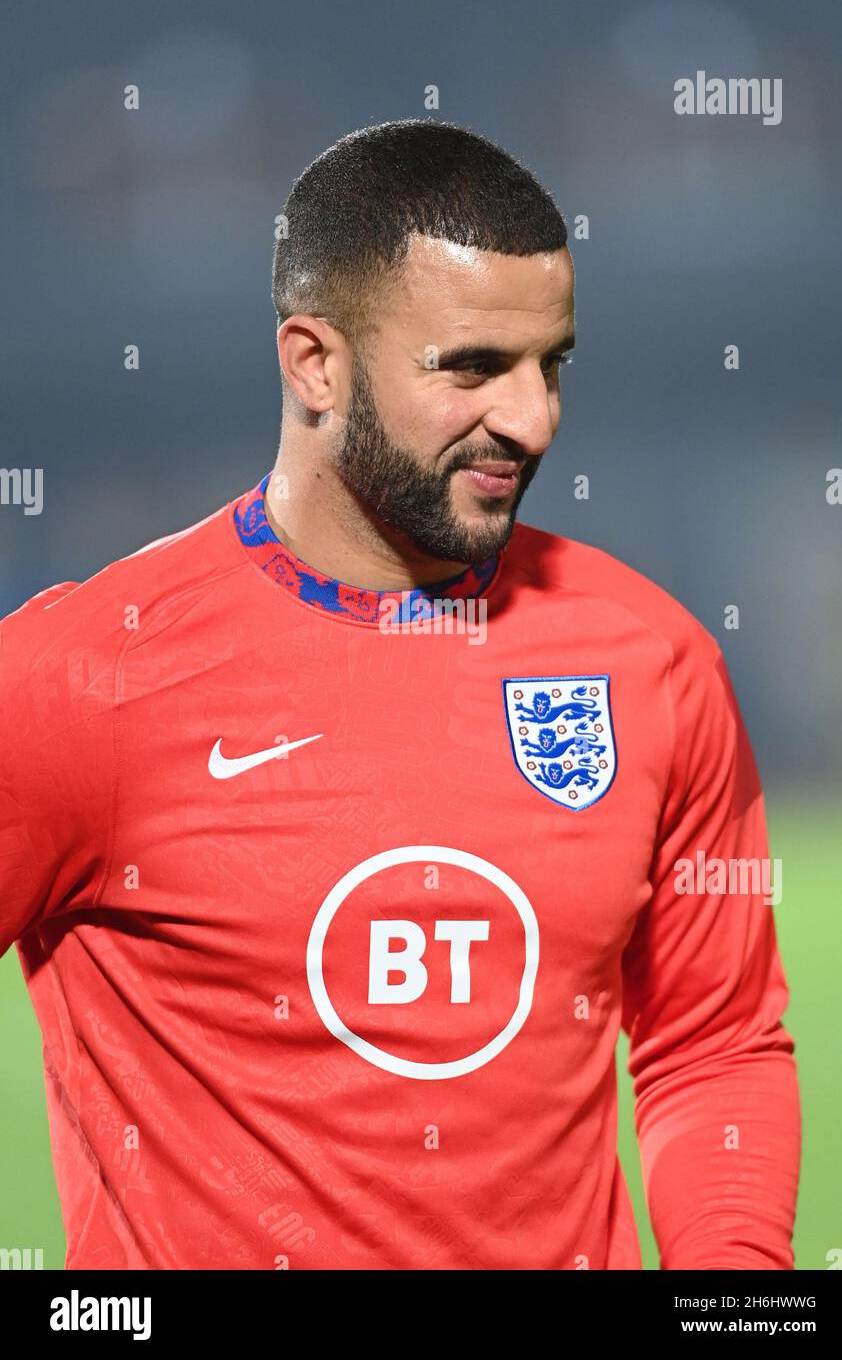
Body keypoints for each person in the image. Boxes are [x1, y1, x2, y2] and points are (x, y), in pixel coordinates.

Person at [0, 118, 800, 1269]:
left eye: (550, 364)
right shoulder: (79, 678)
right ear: (314, 363)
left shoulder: (650, 656)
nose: (531, 420)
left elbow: (712, 1044)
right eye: (471, 367)